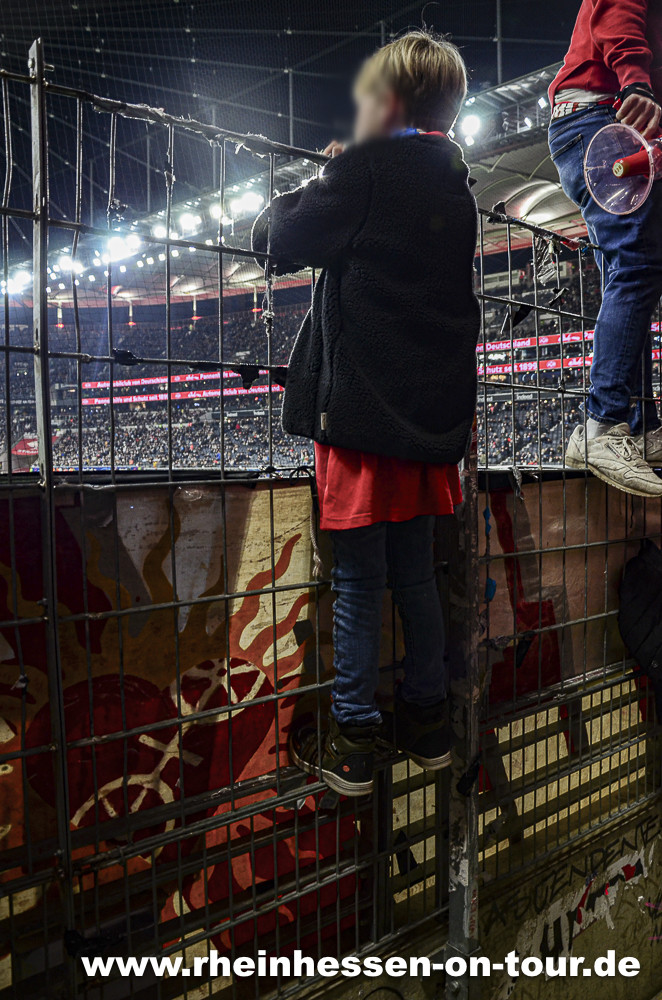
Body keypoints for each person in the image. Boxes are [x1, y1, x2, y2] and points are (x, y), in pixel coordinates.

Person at [252, 30, 479, 797]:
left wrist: (330, 171)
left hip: (359, 419)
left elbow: (281, 235)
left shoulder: (368, 168)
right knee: (415, 575)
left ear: (386, 101)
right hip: (425, 425)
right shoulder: (457, 180)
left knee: (356, 583)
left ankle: (353, 737)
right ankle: (426, 724)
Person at [549, 0, 662, 497]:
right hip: (601, 109)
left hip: (606, 112)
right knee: (636, 262)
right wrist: (635, 78)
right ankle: (604, 423)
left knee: (635, 265)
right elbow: (618, 6)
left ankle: (640, 425)